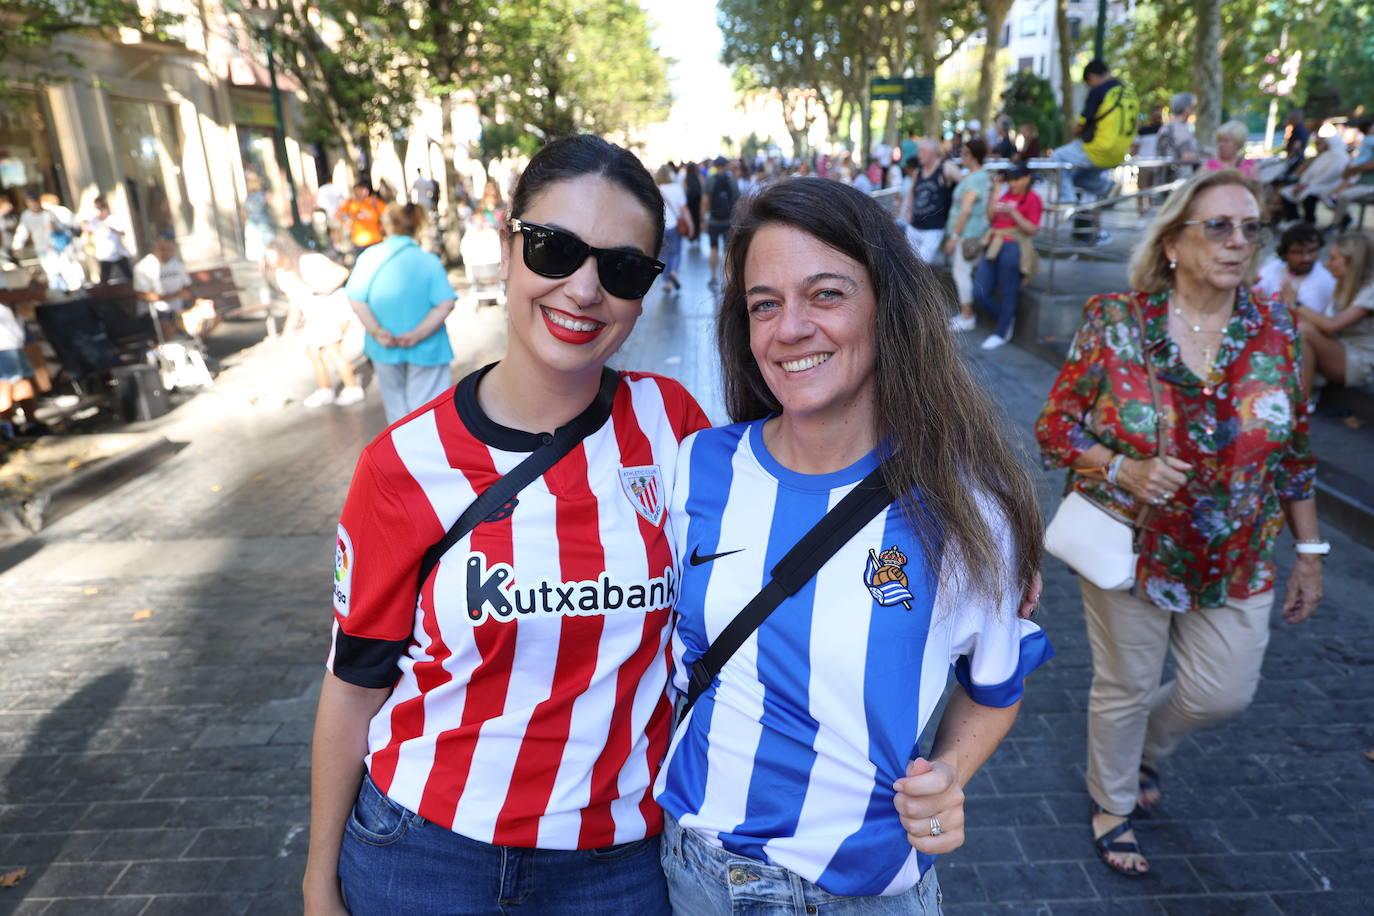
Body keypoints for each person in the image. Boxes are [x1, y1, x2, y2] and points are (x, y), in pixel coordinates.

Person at [303, 133, 709, 916]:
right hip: (424, 859)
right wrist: (318, 881)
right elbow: (354, 684)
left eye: (622, 269)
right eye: (556, 248)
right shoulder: (403, 463)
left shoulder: (673, 425)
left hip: (617, 871)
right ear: (506, 248)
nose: (584, 290)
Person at [656, 175, 1051, 914]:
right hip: (694, 877)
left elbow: (996, 685)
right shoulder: (700, 467)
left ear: (886, 305)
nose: (790, 328)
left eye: (826, 294)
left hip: (864, 894)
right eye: (764, 304)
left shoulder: (966, 509)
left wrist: (949, 774)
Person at [1035, 169, 1325, 878]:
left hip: (1238, 552)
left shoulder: (1277, 329)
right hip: (1133, 544)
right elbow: (1055, 429)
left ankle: (1145, 749)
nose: (1238, 242)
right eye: (1218, 226)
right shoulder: (1116, 321)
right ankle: (1112, 803)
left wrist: (1311, 552)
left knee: (1222, 691)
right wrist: (1122, 467)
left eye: (1250, 228)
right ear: (1171, 243)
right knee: (1125, 685)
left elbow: (1294, 450)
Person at [343, 203, 455, 424]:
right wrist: (418, 334)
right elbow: (445, 303)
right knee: (427, 415)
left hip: (384, 347)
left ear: (386, 225)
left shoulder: (369, 257)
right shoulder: (428, 261)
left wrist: (376, 331)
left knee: (397, 415)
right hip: (427, 348)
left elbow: (355, 298)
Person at [265, 237, 365, 408]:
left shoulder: (310, 261)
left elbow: (343, 273)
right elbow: (294, 302)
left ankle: (352, 388)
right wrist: (288, 328)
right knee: (313, 351)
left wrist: (322, 290)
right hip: (315, 314)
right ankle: (325, 389)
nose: (274, 264)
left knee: (332, 349)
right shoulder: (282, 275)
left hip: (333, 307)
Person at [974, 163, 1043, 350]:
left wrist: (1013, 212)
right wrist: (995, 192)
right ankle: (1005, 319)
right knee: (979, 291)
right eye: (1010, 179)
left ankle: (1001, 331)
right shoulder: (1004, 194)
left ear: (1026, 179)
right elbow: (991, 218)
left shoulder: (1033, 198)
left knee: (1008, 291)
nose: (1012, 183)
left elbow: (1032, 229)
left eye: (1016, 179)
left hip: (1014, 246)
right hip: (994, 244)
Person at [1295, 231, 1374, 395]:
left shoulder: (1370, 290)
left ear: (1351, 261)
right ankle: (1302, 398)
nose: (1327, 263)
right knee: (1303, 336)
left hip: (1360, 361)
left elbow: (1331, 326)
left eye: (1333, 258)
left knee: (1304, 330)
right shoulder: (1343, 284)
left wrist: (1296, 303)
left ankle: (1302, 400)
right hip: (1341, 349)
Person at [1051, 60, 1139, 203]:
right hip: (1121, 153)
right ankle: (1107, 188)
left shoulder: (1099, 91)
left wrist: (1075, 132)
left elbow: (1081, 125)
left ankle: (1068, 201)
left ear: (1091, 77)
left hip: (1097, 150)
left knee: (1057, 156)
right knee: (1077, 178)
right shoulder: (1130, 92)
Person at [946, 137, 992, 332]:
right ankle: (966, 314)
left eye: (965, 153)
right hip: (968, 233)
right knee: (962, 272)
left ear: (974, 156)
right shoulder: (975, 176)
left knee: (961, 273)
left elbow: (966, 210)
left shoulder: (976, 178)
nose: (961, 156)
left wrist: (954, 237)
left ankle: (967, 315)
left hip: (967, 235)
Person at [1254, 222, 1336, 317]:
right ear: (1285, 253)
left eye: (1312, 251)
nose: (1306, 258)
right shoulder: (1272, 268)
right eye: (1298, 252)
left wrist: (1293, 303)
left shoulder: (1326, 282)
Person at [901, 139, 962, 264]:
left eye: (922, 151)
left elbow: (966, 185)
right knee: (907, 263)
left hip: (934, 229)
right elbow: (912, 192)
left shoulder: (946, 168)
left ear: (932, 152)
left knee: (920, 265)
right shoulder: (918, 172)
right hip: (914, 226)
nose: (918, 155)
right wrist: (908, 210)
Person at [11, 194, 86, 292]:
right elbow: (22, 232)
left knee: (67, 270)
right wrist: (17, 246)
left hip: (58, 247)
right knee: (52, 273)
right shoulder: (26, 216)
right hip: (43, 249)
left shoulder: (48, 213)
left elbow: (62, 227)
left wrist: (54, 227)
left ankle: (74, 291)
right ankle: (59, 293)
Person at [133, 234, 199, 341]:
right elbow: (142, 295)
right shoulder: (143, 267)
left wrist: (188, 295)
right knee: (169, 330)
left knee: (206, 318)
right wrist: (170, 297)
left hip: (179, 309)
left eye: (171, 248)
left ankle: (191, 345)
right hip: (154, 313)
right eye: (164, 248)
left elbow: (187, 285)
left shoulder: (177, 264)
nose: (169, 251)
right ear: (156, 249)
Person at [1279, 132, 1348, 225]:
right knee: (1286, 192)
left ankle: (1310, 221)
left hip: (1329, 186)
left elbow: (1329, 176)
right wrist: (1303, 183)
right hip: (1313, 184)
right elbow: (1310, 172)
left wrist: (1307, 185)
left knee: (1309, 193)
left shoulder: (1341, 158)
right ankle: (1293, 219)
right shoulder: (1325, 156)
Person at [704, 156, 739, 286]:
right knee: (728, 250)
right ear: (726, 166)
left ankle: (713, 276)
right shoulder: (732, 180)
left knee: (713, 248)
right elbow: (737, 200)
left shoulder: (709, 180)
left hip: (713, 220)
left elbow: (705, 201)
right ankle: (727, 279)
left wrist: (704, 218)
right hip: (728, 220)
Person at [85, 196, 133, 284]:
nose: (100, 210)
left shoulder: (113, 218)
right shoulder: (94, 221)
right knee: (104, 279)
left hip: (118, 252)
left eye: (102, 207)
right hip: (104, 255)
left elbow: (122, 232)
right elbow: (88, 232)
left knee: (129, 276)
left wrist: (113, 230)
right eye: (98, 208)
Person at [656, 164, 687, 292]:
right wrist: (688, 222)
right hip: (675, 225)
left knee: (663, 255)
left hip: (661, 226)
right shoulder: (677, 188)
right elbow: (683, 209)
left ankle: (667, 282)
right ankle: (674, 271)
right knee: (676, 252)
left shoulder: (656, 189)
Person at [337, 182, 386, 256]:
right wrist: (346, 224)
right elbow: (337, 215)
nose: (358, 193)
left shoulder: (373, 202)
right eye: (356, 191)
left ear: (366, 191)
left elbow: (386, 213)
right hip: (359, 243)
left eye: (360, 190)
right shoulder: (350, 203)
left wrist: (382, 226)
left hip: (375, 240)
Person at [683, 161, 703, 243]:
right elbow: (702, 188)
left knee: (692, 218)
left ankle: (692, 236)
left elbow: (684, 190)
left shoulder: (686, 178)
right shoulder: (698, 177)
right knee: (697, 218)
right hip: (698, 201)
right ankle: (697, 235)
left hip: (690, 202)